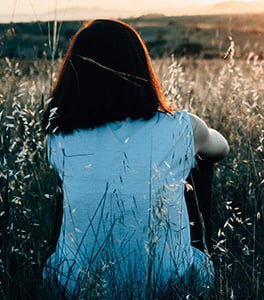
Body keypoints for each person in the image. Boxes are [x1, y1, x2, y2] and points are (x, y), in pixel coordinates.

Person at [40, 19, 229, 299]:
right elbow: (221, 148)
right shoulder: (181, 127)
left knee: (71, 182)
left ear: (74, 72)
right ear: (141, 67)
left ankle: (82, 258)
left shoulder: (59, 137)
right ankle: (195, 251)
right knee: (197, 162)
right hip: (169, 285)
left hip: (77, 288)